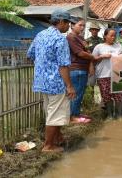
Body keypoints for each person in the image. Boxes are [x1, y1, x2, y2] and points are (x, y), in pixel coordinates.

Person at [27, 9, 77, 152]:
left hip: (42, 82)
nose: (68, 26)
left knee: (51, 111)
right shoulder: (60, 39)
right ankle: (48, 146)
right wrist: (69, 86)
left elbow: (30, 54)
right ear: (60, 22)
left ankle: (58, 137)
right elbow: (63, 65)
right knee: (56, 113)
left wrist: (43, 65)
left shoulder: (40, 35)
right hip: (56, 83)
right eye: (67, 22)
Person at [66, 18, 101, 124]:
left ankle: (76, 113)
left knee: (80, 93)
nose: (82, 28)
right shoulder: (71, 37)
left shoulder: (80, 38)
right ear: (72, 25)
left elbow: (87, 51)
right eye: (79, 25)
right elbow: (80, 53)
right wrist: (93, 57)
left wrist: (90, 61)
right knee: (75, 93)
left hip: (82, 68)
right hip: (76, 68)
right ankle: (72, 117)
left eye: (83, 26)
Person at [92, 28, 122, 119]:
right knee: (106, 96)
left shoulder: (119, 46)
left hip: (117, 75)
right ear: (105, 36)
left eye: (115, 35)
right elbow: (93, 59)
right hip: (103, 74)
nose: (113, 37)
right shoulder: (99, 47)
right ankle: (110, 115)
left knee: (119, 95)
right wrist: (102, 56)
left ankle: (119, 115)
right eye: (111, 35)